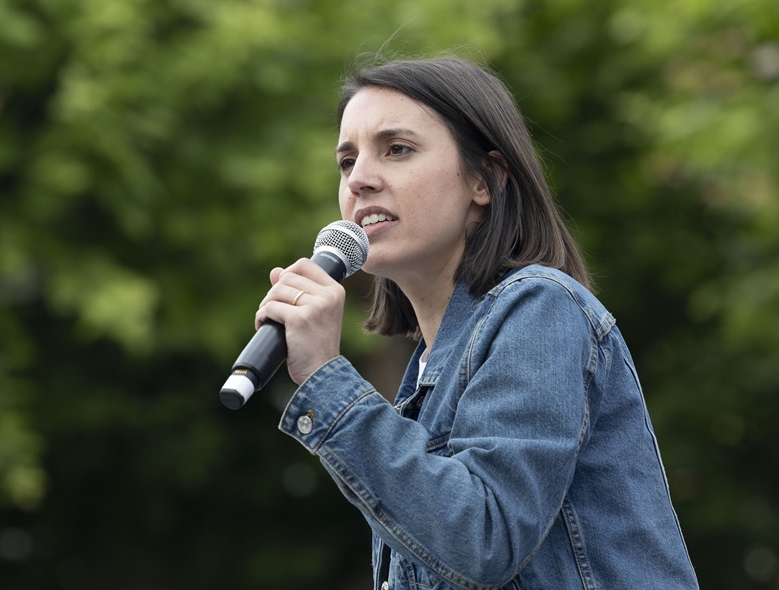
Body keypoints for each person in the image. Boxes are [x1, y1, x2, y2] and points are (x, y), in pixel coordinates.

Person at [254, 56, 699, 590]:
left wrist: (327, 379)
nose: (360, 181)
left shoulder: (541, 308)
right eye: (347, 162)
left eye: (397, 149)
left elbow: (483, 538)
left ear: (484, 180)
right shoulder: (424, 377)